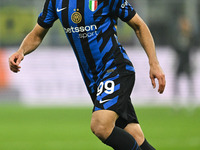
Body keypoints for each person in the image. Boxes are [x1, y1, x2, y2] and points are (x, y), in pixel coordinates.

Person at [9, 0, 166, 149]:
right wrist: (21, 51)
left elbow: (138, 25)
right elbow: (37, 34)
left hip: (115, 69)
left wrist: (154, 64)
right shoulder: (55, 2)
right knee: (136, 137)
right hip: (94, 81)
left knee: (100, 126)